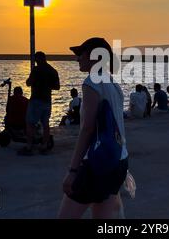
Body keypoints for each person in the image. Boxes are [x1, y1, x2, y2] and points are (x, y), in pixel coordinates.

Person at [58, 37, 128, 219]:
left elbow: (87, 129)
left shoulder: (92, 82)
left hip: (98, 163)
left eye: (81, 54)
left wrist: (73, 171)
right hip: (118, 160)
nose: (77, 58)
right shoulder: (112, 83)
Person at [18, 51, 60, 155]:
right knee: (45, 124)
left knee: (30, 123)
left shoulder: (36, 70)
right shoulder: (53, 71)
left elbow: (28, 83)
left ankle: (29, 147)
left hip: (36, 100)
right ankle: (44, 146)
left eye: (36, 60)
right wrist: (47, 85)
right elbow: (57, 87)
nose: (35, 62)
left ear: (39, 59)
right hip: (47, 101)